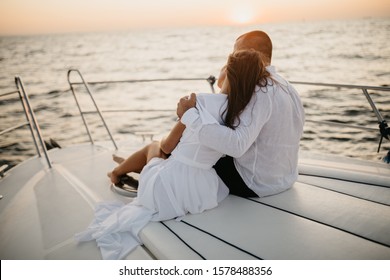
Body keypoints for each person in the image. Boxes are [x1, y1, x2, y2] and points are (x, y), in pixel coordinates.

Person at [75, 49, 269, 259]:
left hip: (169, 190)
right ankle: (136, 164)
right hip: (201, 192)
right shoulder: (243, 110)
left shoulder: (199, 102)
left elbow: (167, 147)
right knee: (168, 158)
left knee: (155, 147)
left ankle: (118, 171)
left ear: (228, 75)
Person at [177, 30, 305, 198]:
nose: (231, 58)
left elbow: (237, 146)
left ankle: (161, 184)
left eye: (236, 52)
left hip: (255, 184)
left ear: (250, 53)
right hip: (284, 179)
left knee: (187, 154)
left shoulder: (260, 88)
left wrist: (189, 115)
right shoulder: (287, 86)